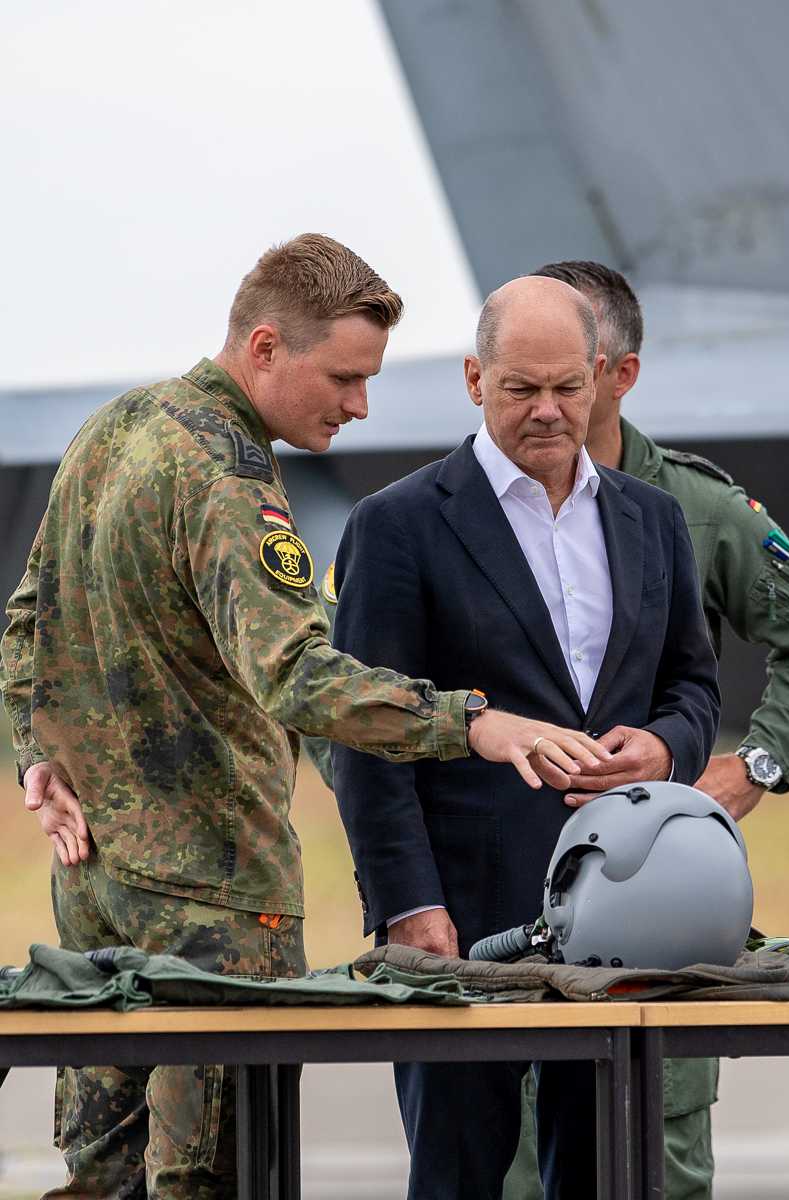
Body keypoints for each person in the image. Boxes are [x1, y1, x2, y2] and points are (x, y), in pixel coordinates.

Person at [0, 234, 604, 1199]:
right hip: (217, 906)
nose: (360, 405)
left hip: (95, 889)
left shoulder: (115, 429)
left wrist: (35, 757)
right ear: (267, 348)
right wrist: (475, 724)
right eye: (345, 377)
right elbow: (295, 676)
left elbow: (27, 613)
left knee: (96, 1177)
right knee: (219, 1178)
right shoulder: (228, 479)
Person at [329, 274, 720, 1199]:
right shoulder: (396, 527)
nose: (547, 412)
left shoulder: (652, 518)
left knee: (609, 1175)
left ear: (599, 380)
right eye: (519, 389)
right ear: (474, 379)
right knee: (460, 1175)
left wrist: (666, 750)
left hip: (626, 915)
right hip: (461, 925)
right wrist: (407, 907)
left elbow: (695, 684)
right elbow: (364, 743)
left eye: (566, 388)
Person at [506, 261, 789, 1197]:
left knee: (654, 1160)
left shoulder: (694, 512)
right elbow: (355, 700)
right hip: (497, 904)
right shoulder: (446, 513)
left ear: (617, 375)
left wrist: (751, 769)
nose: (547, 403)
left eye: (571, 374)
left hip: (653, 906)